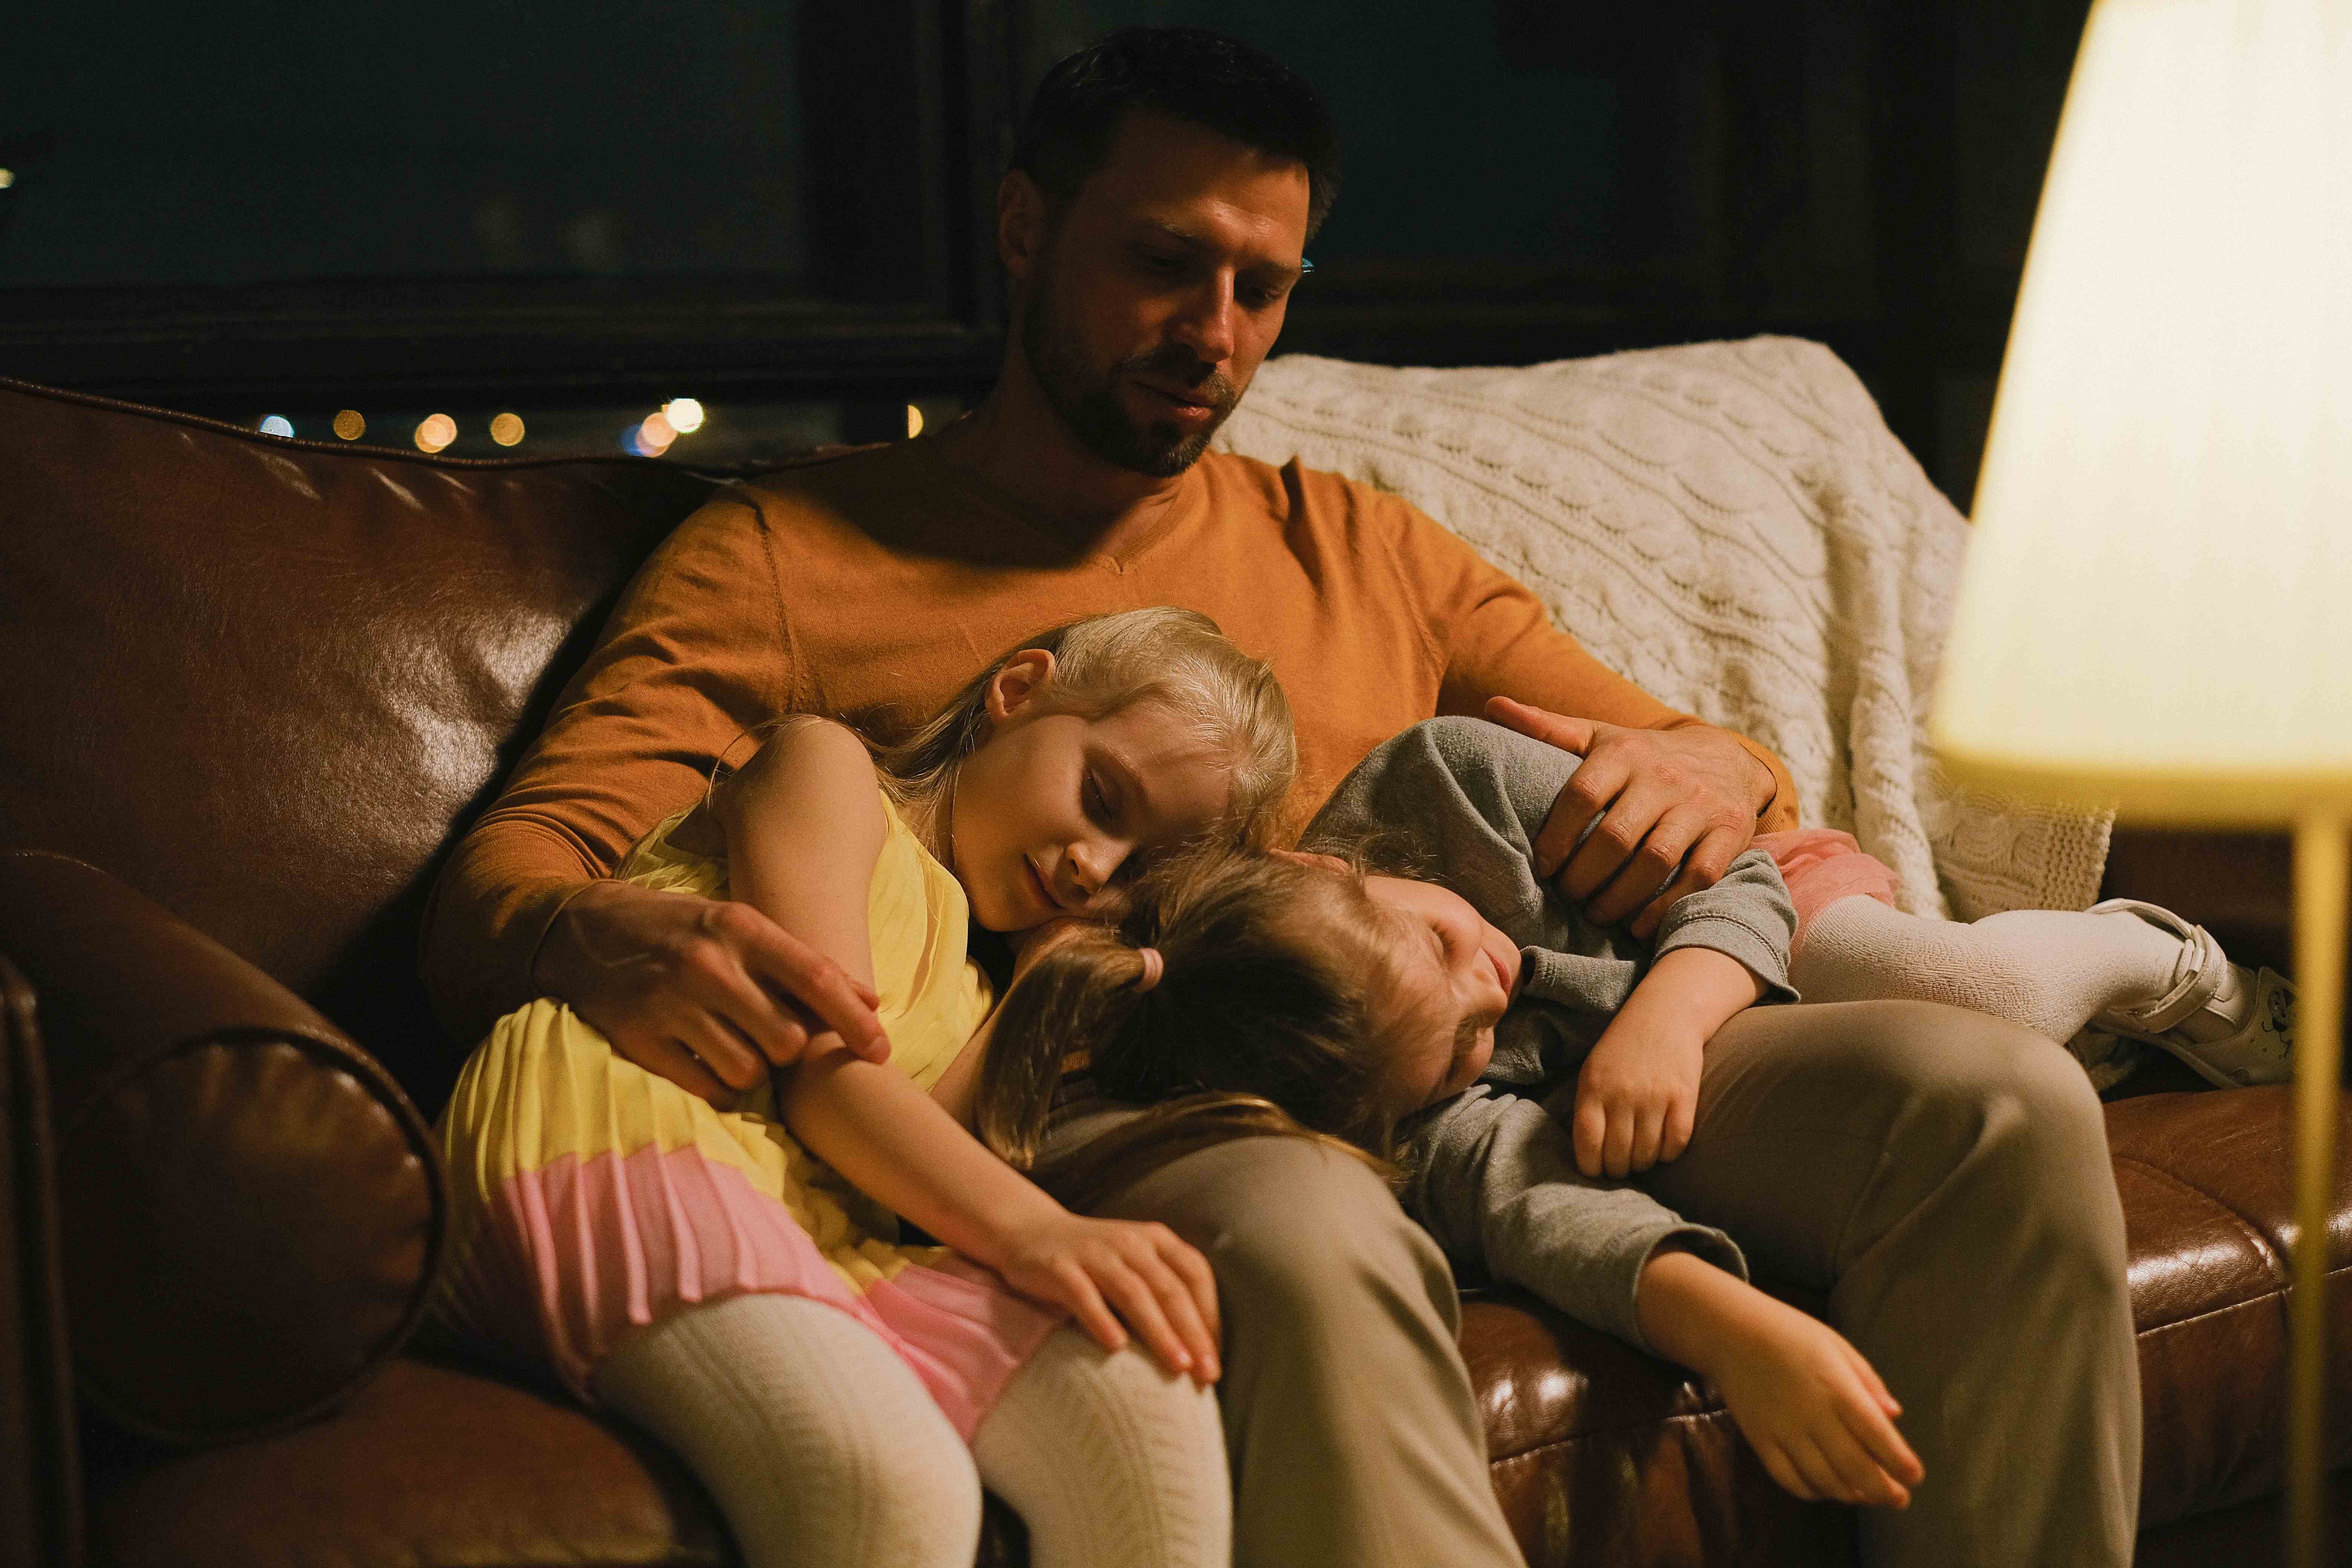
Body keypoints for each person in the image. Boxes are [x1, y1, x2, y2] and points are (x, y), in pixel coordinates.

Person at [419, 26, 2136, 1568]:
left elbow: (1698, 754)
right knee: (1313, 1225)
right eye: (1164, 265)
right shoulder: (789, 553)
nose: (1212, 333)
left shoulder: (1357, 542)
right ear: (1025, 230)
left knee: (1985, 1100)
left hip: (1494, 1058)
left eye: (1262, 286)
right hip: (1112, 1084)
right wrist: (609, 942)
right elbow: (513, 874)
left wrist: (1712, 761)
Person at [989, 714, 2296, 1545]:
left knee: (2002, 1074)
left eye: (1444, 942)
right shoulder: (1392, 1094)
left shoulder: (1457, 778)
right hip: (1598, 1107)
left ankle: (2156, 970)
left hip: (1736, 966)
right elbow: (1521, 1188)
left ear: (1334, 865)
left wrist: (1673, 1007)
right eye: (1450, 1046)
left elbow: (1733, 874)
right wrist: (1730, 1323)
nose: (1485, 990)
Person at [431, 608, 1292, 1568]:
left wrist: (1047, 978)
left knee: (1147, 1410)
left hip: (809, 1218)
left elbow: (897, 1163)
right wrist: (1041, 1231)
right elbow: (828, 1074)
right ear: (1017, 693)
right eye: (1100, 797)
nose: (1095, 867)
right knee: (893, 1487)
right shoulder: (825, 768)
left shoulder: (979, 984)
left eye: (1142, 871)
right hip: (617, 1132)